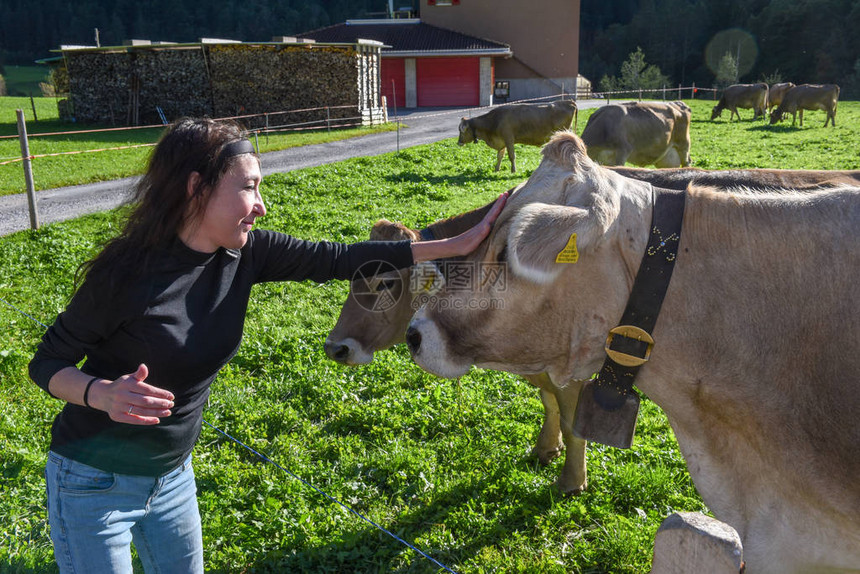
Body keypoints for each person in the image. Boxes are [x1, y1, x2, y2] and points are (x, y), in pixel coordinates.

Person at [28, 117, 507, 574]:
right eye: (248, 187)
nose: (261, 205)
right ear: (196, 188)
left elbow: (337, 259)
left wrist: (454, 245)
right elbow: (47, 363)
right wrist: (102, 394)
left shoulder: (245, 252)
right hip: (93, 485)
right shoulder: (126, 274)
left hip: (172, 478)